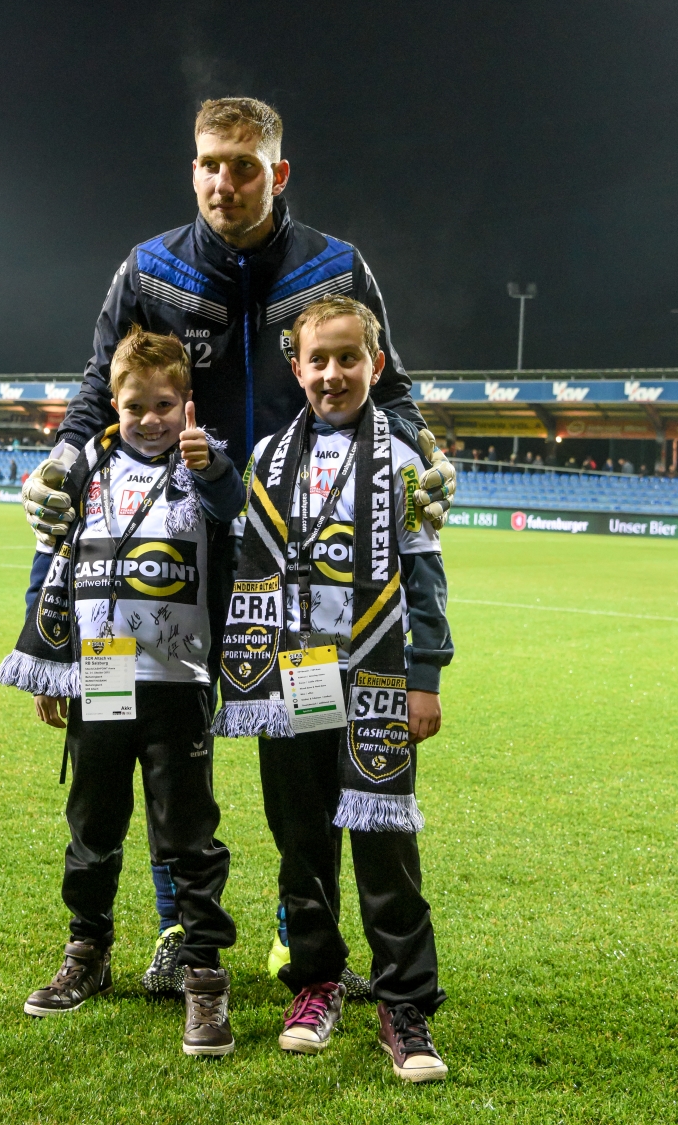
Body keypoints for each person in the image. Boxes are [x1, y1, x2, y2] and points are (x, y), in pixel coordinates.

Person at [19, 96, 457, 994]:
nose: (225, 182)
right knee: (156, 750)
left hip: (293, 563)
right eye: (210, 164)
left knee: (301, 743)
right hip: (164, 553)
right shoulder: (148, 268)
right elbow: (99, 389)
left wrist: (429, 453)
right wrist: (62, 460)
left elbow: (392, 388)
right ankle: (173, 933)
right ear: (193, 169)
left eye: (244, 166)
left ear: (277, 173)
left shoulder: (335, 267)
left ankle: (306, 939)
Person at [214, 296, 452, 1077]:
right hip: (294, 677)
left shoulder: (406, 457)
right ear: (297, 368)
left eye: (349, 357)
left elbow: (426, 577)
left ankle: (403, 1001)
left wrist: (425, 677)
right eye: (318, 359)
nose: (333, 373)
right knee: (303, 840)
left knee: (387, 842)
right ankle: (316, 982)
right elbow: (248, 560)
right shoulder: (270, 457)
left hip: (375, 672)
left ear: (375, 366)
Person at [0, 327, 243, 1055]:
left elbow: (234, 506)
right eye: (137, 405)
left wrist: (212, 463)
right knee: (92, 825)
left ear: (186, 401)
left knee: (189, 837)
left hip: (178, 683)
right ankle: (88, 952)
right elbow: (52, 562)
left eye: (165, 404)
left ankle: (203, 974)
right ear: (114, 403)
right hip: (99, 679)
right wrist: (47, 662)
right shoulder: (88, 469)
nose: (151, 418)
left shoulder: (203, 464)